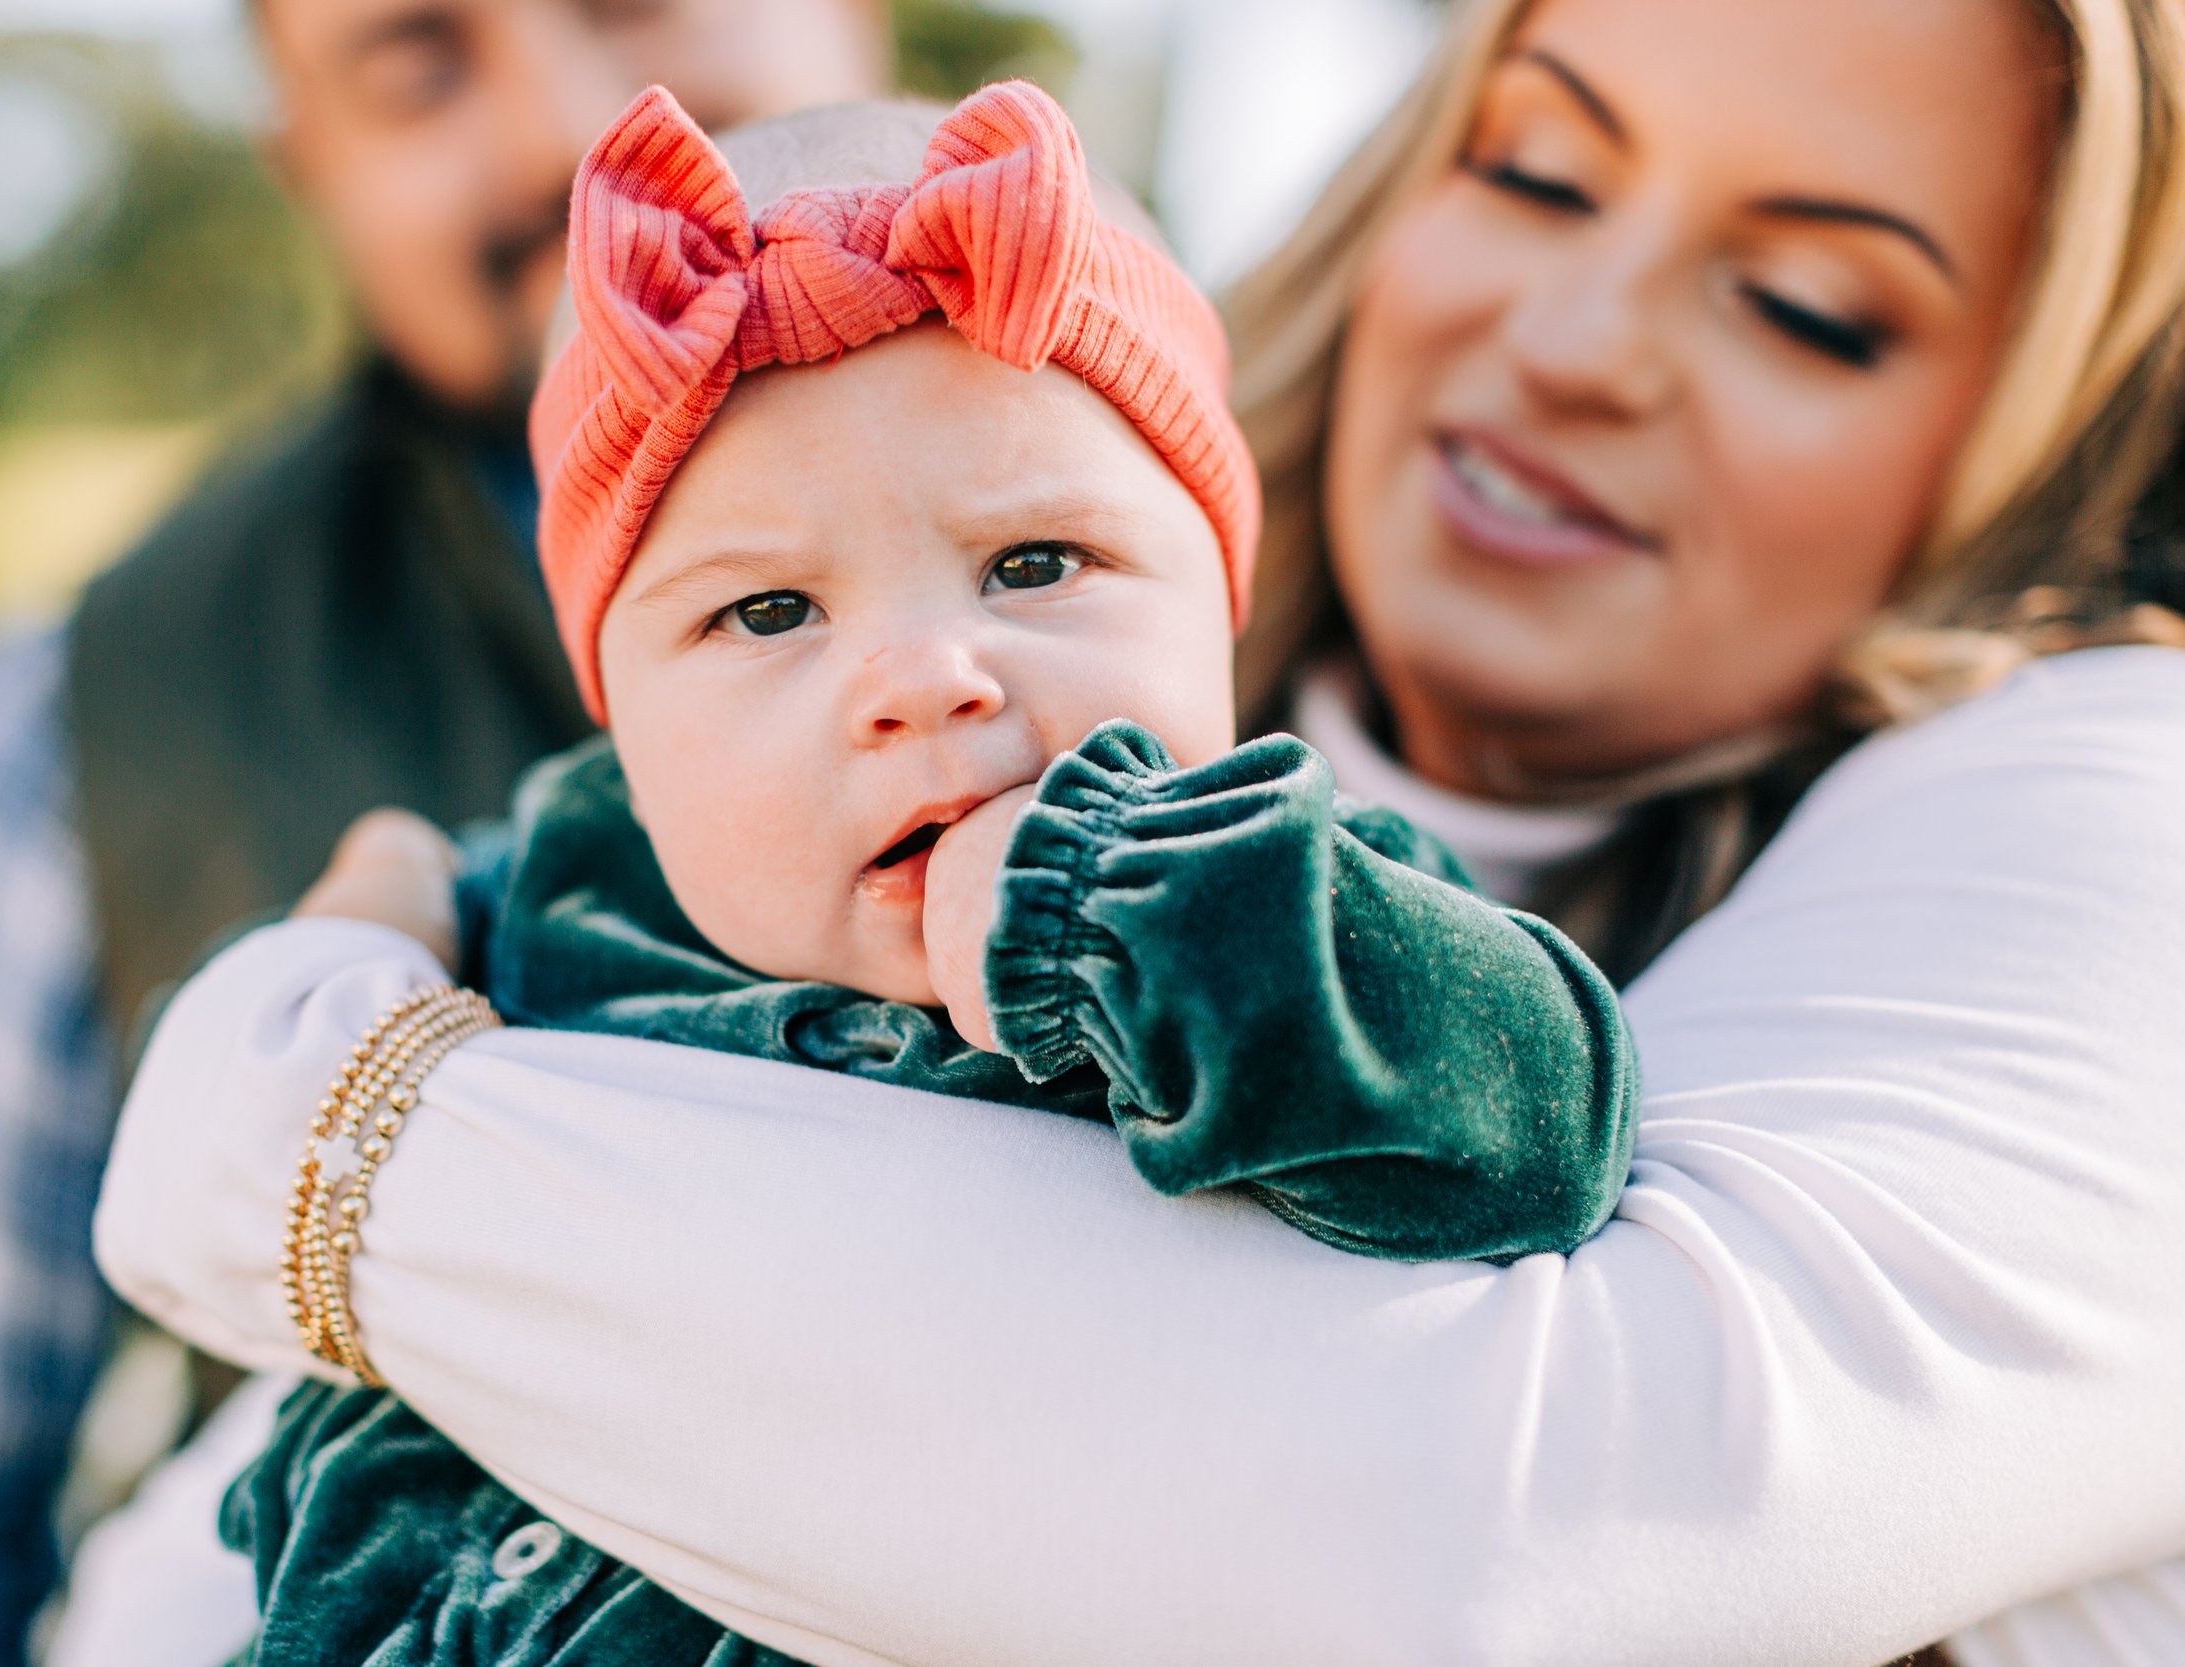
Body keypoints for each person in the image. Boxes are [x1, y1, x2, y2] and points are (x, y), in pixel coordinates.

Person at [96, 0, 2185, 1660]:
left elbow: (1496, 1481)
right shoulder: (569, 876)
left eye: (1808, 302)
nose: (1574, 347)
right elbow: (214, 1530)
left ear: (2045, 422)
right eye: (1538, 172)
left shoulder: (1257, 876)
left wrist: (336, 1137)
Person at [160, 81, 1640, 1662]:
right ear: (624, 733)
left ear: (1220, 602)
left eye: (1035, 565)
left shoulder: (1284, 904)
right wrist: (361, 943)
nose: (927, 679)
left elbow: (1541, 1129)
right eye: (768, 613)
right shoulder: (548, 895)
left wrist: (1100, 906)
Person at [0, 2, 884, 1662]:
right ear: (308, 163)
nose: (560, 133)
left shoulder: (1220, 514)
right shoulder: (96, 703)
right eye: (414, 69)